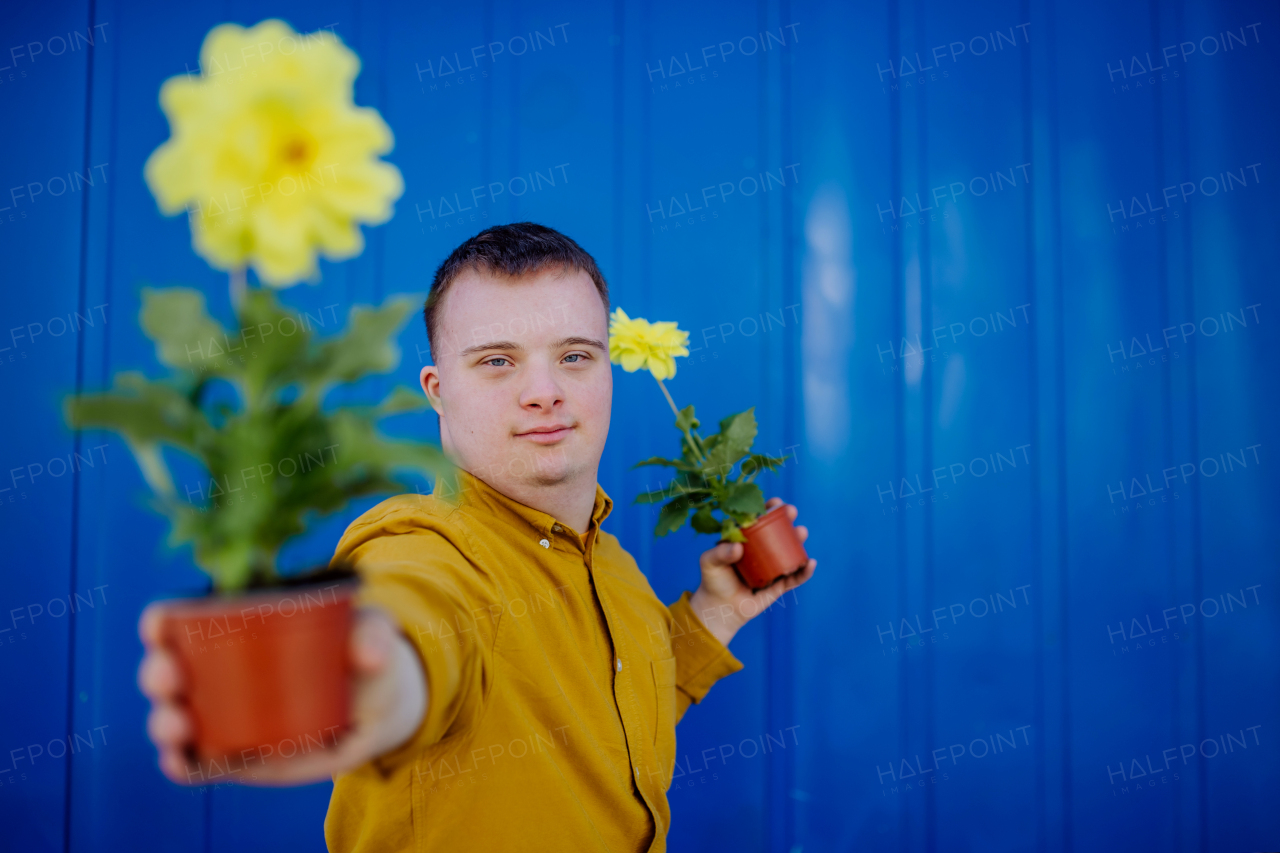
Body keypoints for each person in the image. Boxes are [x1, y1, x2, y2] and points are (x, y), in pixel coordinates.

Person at [137, 222, 816, 851]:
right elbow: (412, 625)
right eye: (497, 361)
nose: (544, 391)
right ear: (437, 389)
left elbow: (605, 725)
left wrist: (715, 612)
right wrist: (368, 683)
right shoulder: (422, 546)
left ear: (608, 369)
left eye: (575, 355)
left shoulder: (613, 566)